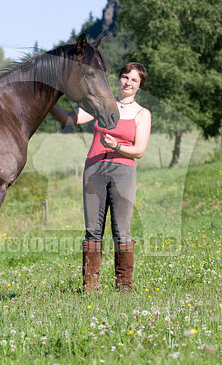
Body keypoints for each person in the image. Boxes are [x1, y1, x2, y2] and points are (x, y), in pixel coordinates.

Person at [50, 62, 151, 292]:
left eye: (134, 80)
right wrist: (47, 103)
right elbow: (69, 118)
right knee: (93, 230)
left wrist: (116, 145)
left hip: (123, 171)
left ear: (139, 86)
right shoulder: (101, 105)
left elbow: (140, 150)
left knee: (121, 230)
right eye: (126, 77)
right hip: (94, 170)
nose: (128, 82)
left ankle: (124, 286)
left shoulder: (142, 114)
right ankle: (90, 286)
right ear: (119, 79)